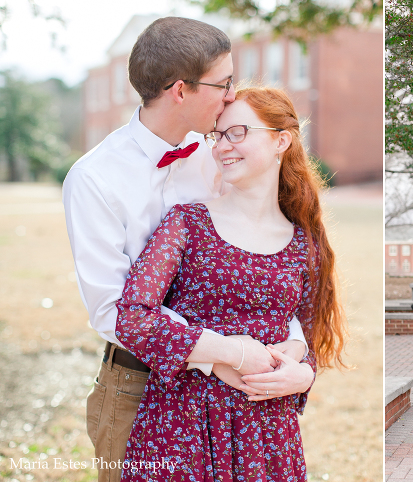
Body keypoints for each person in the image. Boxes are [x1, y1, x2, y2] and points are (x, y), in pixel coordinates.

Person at [62, 17, 308, 482]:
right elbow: (112, 311)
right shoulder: (93, 179)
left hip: (241, 397)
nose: (232, 96)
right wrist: (226, 355)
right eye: (224, 83)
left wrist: (295, 354)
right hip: (137, 384)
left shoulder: (218, 155)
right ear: (181, 90)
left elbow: (266, 262)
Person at [114, 87, 345, 481]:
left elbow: (308, 338)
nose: (222, 147)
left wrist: (303, 374)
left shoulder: (305, 244)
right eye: (217, 135)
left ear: (281, 140)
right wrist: (228, 354)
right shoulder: (187, 222)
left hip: (268, 438)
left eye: (237, 132)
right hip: (184, 428)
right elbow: (132, 318)